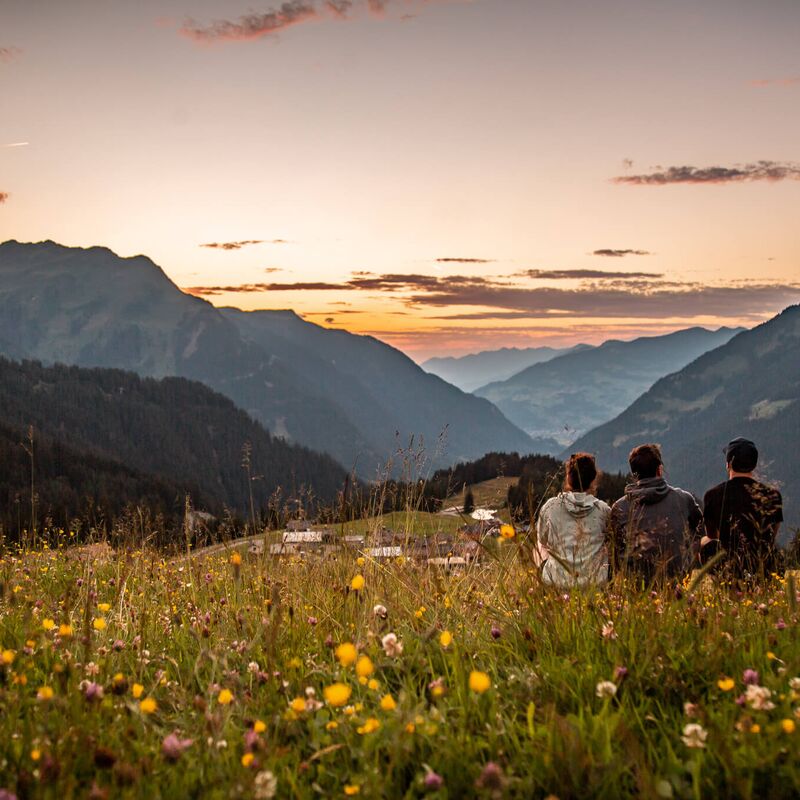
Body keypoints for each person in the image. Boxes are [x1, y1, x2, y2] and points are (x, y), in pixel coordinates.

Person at [611, 443, 702, 584]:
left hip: (635, 587)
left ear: (634, 475)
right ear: (659, 470)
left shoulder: (619, 507)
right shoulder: (683, 499)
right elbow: (700, 529)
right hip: (677, 583)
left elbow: (615, 550)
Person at [701, 437, 783, 579]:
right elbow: (771, 536)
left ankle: (724, 586)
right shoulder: (773, 495)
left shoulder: (712, 495)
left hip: (729, 566)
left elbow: (712, 536)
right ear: (754, 464)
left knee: (705, 542)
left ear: (728, 464)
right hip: (764, 567)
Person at [536, 452, 610, 586]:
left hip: (557, 584)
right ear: (593, 479)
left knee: (540, 544)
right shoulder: (603, 510)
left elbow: (542, 539)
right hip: (594, 587)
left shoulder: (551, 507)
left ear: (568, 478)